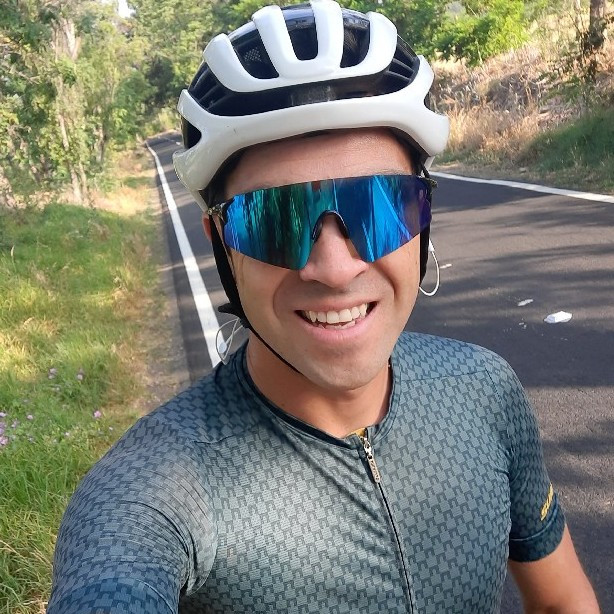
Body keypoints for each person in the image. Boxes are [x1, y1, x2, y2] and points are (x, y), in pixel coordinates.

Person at [48, 1, 600, 612]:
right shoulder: (154, 492)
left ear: (424, 215)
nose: (335, 269)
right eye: (275, 221)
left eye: (378, 208)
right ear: (220, 244)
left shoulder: (484, 389)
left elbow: (562, 602)